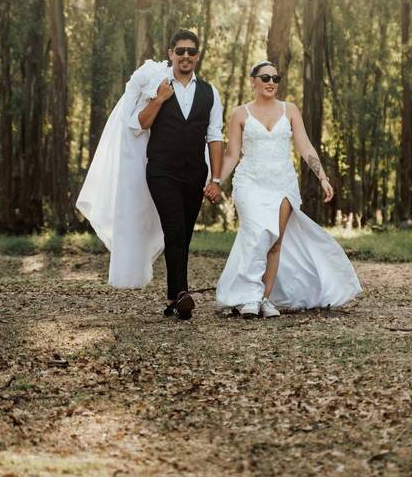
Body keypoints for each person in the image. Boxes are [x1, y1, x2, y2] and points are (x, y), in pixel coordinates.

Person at [76, 28, 222, 321]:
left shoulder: (210, 92)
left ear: (197, 56)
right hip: (161, 171)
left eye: (191, 52)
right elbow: (137, 124)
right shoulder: (156, 84)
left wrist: (216, 180)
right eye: (180, 51)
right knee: (174, 228)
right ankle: (182, 293)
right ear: (170, 54)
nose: (185, 56)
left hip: (195, 173)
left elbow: (214, 136)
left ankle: (173, 296)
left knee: (183, 234)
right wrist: (159, 100)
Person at [211, 61, 361, 318]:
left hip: (282, 183)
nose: (271, 82)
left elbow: (305, 147)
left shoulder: (289, 110)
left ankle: (263, 299)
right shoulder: (240, 114)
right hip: (249, 182)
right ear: (253, 82)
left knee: (274, 243)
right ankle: (247, 295)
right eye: (265, 77)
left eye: (275, 78)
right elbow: (232, 155)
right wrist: (216, 181)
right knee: (256, 233)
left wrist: (322, 177)